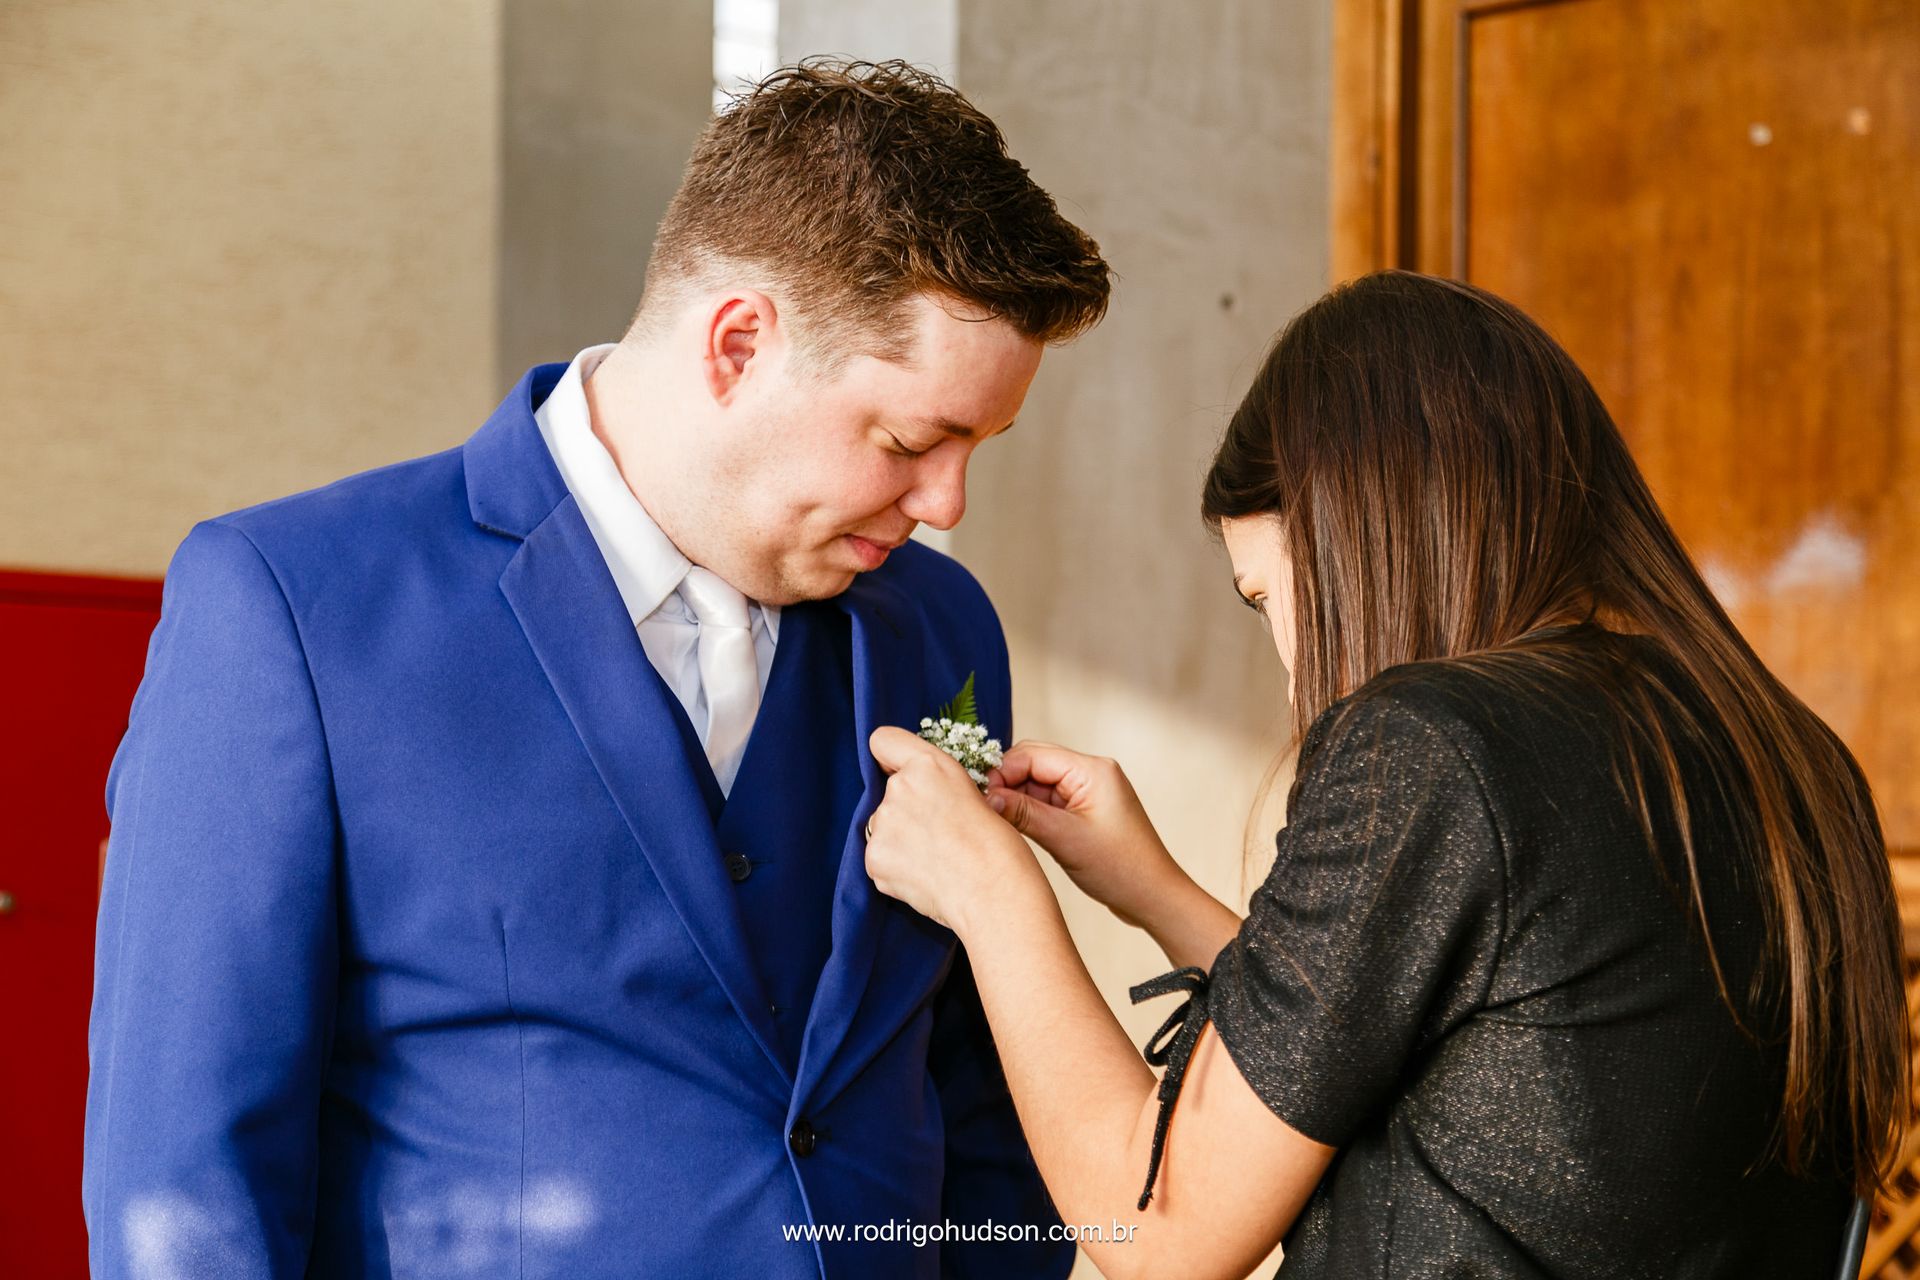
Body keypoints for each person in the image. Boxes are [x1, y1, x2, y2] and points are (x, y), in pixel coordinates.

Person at [84, 61, 1110, 1279]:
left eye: (977, 447)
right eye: (910, 440)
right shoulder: (294, 606)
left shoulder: (942, 632)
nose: (945, 502)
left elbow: (972, 1085)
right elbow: (186, 1184)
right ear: (738, 343)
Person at [864, 270, 1909, 1278]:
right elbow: (1432, 1062)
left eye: (1268, 599)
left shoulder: (1431, 742)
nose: (1287, 672)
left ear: (1356, 535)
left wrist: (992, 897)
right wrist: (1151, 888)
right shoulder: (1796, 763)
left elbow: (1163, 1234)